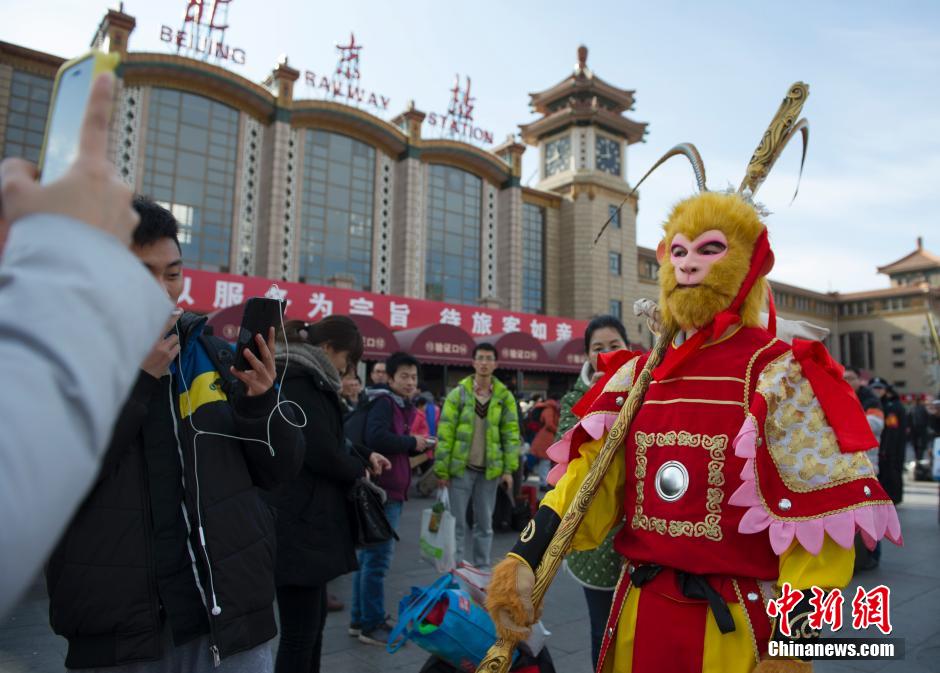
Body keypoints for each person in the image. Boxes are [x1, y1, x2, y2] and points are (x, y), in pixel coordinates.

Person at [485, 93, 901, 673]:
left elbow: (819, 532)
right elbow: (586, 487)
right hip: (638, 617)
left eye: (709, 250)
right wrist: (525, 558)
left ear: (748, 264)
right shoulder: (636, 377)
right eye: (677, 250)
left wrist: (796, 651)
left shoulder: (779, 376)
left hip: (737, 628)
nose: (687, 263)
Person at [43, 197, 304, 671]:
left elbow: (279, 469)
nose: (162, 290)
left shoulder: (212, 355)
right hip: (123, 634)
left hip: (231, 621)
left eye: (172, 273)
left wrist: (262, 400)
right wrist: (140, 382)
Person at [0, 72, 173, 617]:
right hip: (107, 606)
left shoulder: (199, 349)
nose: (161, 289)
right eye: (141, 272)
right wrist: (64, 253)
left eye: (172, 273)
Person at [267, 317, 389, 673]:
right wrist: (357, 470)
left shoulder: (308, 378)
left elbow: (332, 439)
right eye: (346, 360)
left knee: (312, 627)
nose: (346, 369)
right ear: (326, 349)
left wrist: (363, 455)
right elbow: (319, 451)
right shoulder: (299, 381)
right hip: (299, 523)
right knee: (299, 634)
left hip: (309, 521)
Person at [553, 314, 629, 670]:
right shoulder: (574, 398)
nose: (606, 354)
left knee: (639, 629)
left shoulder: (653, 388)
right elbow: (568, 457)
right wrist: (599, 400)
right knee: (603, 628)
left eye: (615, 345)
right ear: (586, 356)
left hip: (643, 531)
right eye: (597, 348)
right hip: (596, 540)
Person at [351, 352, 426, 645]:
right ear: (391, 378)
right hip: (384, 493)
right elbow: (377, 438)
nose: (410, 382)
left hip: (388, 491)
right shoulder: (385, 403)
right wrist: (412, 442)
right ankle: (371, 624)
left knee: (368, 559)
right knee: (377, 561)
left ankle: (360, 619)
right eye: (404, 376)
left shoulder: (397, 404)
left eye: (414, 377)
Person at [435, 343, 521, 569]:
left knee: (484, 524)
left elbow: (511, 435)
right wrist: (442, 471)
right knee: (456, 523)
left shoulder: (504, 397)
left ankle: (481, 569)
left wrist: (508, 470)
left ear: (495, 364)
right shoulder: (458, 394)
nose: (484, 362)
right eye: (480, 358)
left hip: (489, 472)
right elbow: (445, 433)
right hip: (460, 469)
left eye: (488, 358)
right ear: (473, 362)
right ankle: (455, 570)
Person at [870, 377, 907, 504]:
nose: (876, 390)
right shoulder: (873, 404)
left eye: (879, 388)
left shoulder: (891, 406)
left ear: (885, 390)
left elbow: (892, 430)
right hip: (877, 447)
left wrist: (886, 449)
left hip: (890, 448)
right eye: (874, 388)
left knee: (891, 473)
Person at [528, 395, 560, 489]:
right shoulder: (550, 409)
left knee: (544, 461)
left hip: (545, 437)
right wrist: (558, 430)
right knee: (545, 461)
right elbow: (549, 424)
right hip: (545, 438)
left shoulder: (549, 408)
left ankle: (544, 482)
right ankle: (544, 483)